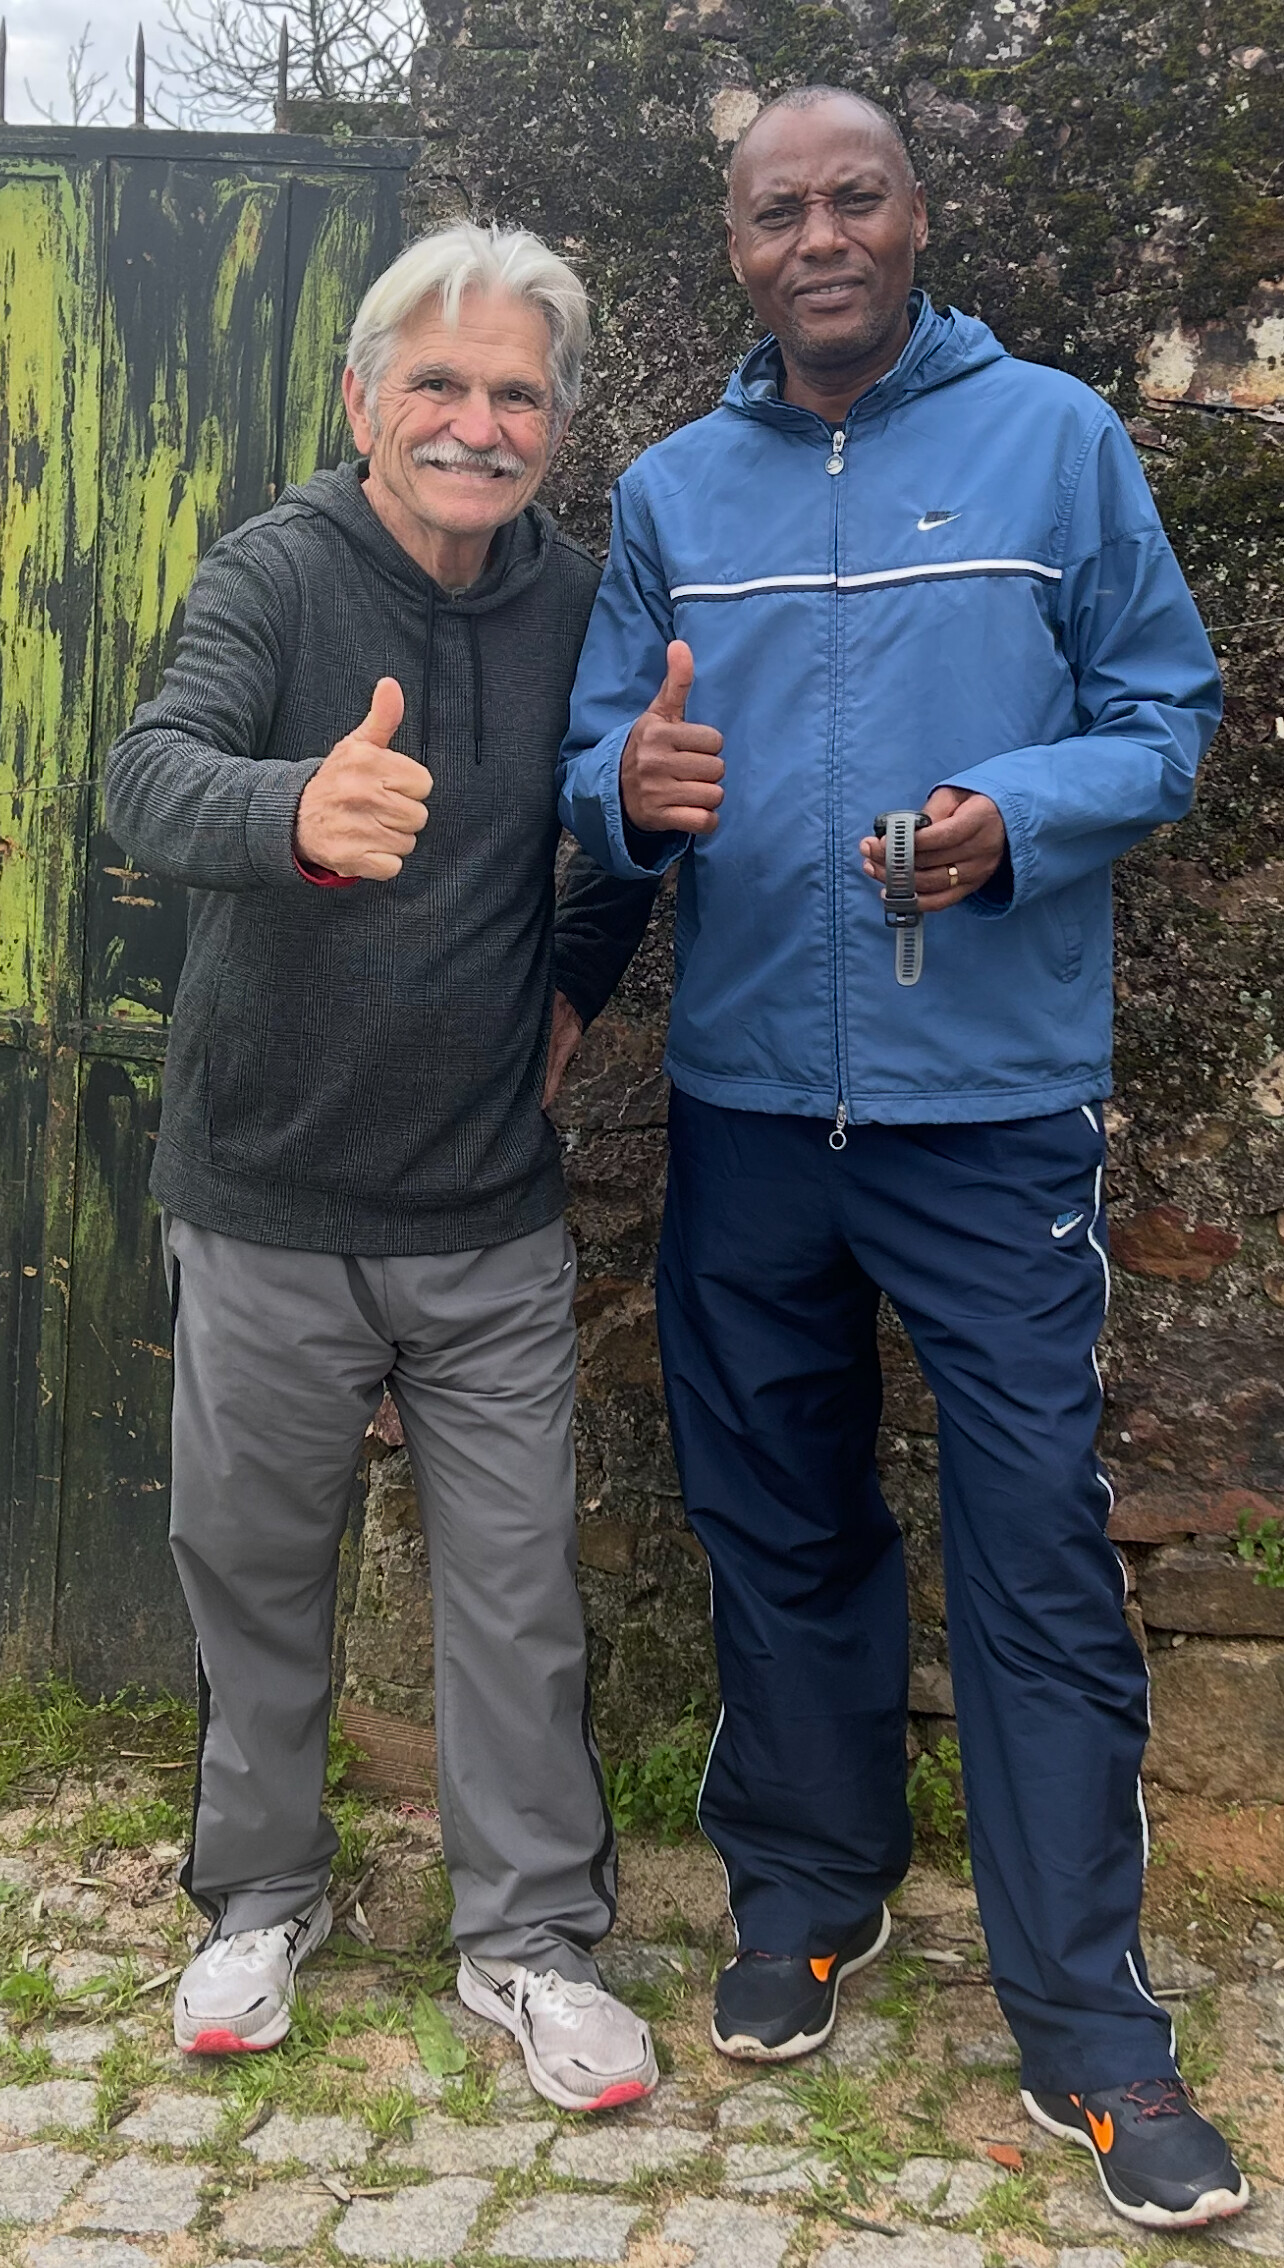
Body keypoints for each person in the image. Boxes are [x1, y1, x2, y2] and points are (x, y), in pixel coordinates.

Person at [558, 87, 1245, 2223]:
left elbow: (1167, 716)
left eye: (856, 198)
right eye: (781, 210)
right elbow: (599, 757)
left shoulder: (1057, 440)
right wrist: (625, 790)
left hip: (991, 1117)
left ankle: (1090, 2024)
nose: (821, 237)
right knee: (778, 1519)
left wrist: (1016, 818)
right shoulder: (671, 490)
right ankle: (809, 1892)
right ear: (737, 246)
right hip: (753, 1106)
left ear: (917, 215)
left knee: (1032, 1548)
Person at [105, 222, 661, 2114]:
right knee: (255, 1574)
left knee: (515, 1598)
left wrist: (574, 982)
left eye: (517, 393)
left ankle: (531, 1939)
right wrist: (296, 808)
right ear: (362, 398)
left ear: (557, 425)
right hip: (266, 1191)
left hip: (484, 1209)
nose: (476, 424)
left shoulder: (579, 602)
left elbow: (624, 832)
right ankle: (263, 1896)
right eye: (439, 382)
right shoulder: (272, 572)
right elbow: (146, 773)